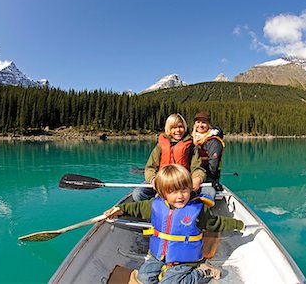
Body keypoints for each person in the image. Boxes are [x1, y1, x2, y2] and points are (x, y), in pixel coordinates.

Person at [104, 164, 244, 284]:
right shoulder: (155, 205)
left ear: (190, 188)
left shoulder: (197, 210)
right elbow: (136, 208)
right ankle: (165, 271)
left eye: (184, 190)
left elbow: (216, 223)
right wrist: (119, 210)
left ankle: (203, 272)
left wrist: (238, 224)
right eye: (173, 192)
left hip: (185, 261)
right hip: (159, 255)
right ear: (163, 193)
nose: (180, 196)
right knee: (144, 278)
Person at [132, 113, 206, 201]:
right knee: (138, 194)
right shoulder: (161, 145)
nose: (178, 130)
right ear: (169, 129)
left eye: (181, 127)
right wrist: (153, 179)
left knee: (208, 193)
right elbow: (150, 167)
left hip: (183, 183)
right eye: (174, 127)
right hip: (162, 182)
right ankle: (155, 208)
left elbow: (197, 168)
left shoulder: (191, 146)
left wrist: (197, 178)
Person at [191, 112, 225, 197]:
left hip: (208, 180)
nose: (200, 125)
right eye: (198, 122)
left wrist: (199, 178)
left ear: (208, 124)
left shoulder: (214, 142)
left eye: (204, 122)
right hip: (190, 178)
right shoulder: (190, 139)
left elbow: (213, 167)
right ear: (194, 124)